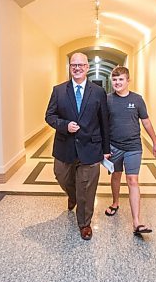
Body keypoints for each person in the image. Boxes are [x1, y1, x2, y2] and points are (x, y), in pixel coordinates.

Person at [45, 52, 110, 240]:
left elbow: (104, 121)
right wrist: (64, 125)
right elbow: (49, 116)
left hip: (90, 146)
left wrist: (106, 150)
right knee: (61, 175)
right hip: (65, 146)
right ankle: (72, 195)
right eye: (74, 65)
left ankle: (84, 223)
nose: (77, 68)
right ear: (70, 67)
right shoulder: (58, 90)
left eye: (81, 65)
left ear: (87, 68)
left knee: (87, 187)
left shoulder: (98, 92)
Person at [104, 66, 156, 235]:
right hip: (114, 146)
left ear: (128, 81)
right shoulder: (107, 100)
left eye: (121, 79)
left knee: (132, 180)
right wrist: (104, 148)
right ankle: (115, 202)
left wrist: (155, 142)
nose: (117, 83)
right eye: (114, 80)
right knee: (116, 175)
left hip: (134, 146)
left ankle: (137, 222)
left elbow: (146, 122)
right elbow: (103, 125)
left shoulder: (137, 100)